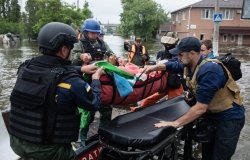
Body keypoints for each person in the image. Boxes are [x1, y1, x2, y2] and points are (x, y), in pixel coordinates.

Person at [9, 22, 104, 160]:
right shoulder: (71, 81)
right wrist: (95, 79)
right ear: (64, 50)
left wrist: (80, 69)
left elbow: (50, 71)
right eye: (70, 48)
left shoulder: (25, 68)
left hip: (17, 142)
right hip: (49, 151)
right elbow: (94, 103)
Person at [145, 37, 245, 160]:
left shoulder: (210, 71)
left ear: (192, 53)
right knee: (207, 154)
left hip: (229, 118)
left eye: (180, 54)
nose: (178, 57)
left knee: (220, 157)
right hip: (212, 115)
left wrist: (175, 123)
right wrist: (155, 67)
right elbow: (174, 64)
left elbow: (200, 108)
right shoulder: (189, 64)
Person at [70, 18, 114, 146]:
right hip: (85, 81)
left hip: (101, 80)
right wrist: (80, 56)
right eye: (92, 33)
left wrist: (114, 58)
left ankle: (105, 134)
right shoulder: (79, 44)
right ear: (86, 32)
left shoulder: (102, 43)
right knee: (87, 111)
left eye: (97, 33)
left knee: (106, 108)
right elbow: (71, 59)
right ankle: (82, 138)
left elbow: (111, 53)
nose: (95, 35)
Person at [138, 32, 182, 108]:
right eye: (165, 43)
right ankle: (139, 109)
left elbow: (176, 65)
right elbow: (156, 64)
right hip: (161, 82)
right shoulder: (160, 53)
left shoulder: (178, 55)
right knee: (148, 101)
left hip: (174, 82)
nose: (167, 45)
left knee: (174, 104)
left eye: (169, 44)